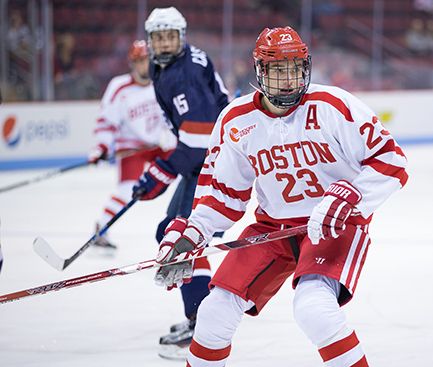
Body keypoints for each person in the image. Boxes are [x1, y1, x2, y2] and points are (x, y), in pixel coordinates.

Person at [154, 26, 409, 366]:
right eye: (277, 70)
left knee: (313, 308)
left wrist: (351, 196)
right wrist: (193, 231)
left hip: (334, 225)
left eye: (295, 68)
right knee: (214, 311)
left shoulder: (334, 106)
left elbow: (391, 160)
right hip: (273, 227)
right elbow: (224, 194)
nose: (289, 79)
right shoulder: (235, 120)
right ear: (259, 71)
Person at [131, 7, 229, 360]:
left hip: (214, 159)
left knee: (183, 239)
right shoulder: (171, 65)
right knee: (172, 233)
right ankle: (199, 312)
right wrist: (166, 167)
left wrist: (160, 171)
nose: (165, 42)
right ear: (151, 40)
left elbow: (201, 135)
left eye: (171, 35)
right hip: (207, 156)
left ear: (181, 36)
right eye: (159, 37)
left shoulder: (182, 72)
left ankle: (202, 323)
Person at [87, 40, 174, 252]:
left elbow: (173, 115)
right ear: (132, 64)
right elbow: (106, 121)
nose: (144, 65)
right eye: (139, 61)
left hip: (158, 145)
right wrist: (102, 147)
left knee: (188, 170)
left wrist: (172, 135)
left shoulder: (161, 83)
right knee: (127, 192)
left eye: (147, 60)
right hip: (132, 148)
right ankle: (101, 228)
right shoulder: (119, 87)